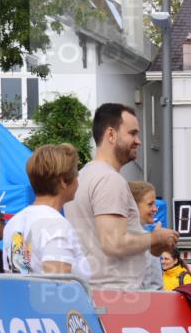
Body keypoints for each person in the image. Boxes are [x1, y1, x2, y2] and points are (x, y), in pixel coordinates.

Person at [65, 103, 178, 290]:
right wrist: (154, 238)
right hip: (117, 297)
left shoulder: (82, 177)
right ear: (111, 134)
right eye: (132, 133)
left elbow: (101, 239)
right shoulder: (110, 180)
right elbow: (113, 243)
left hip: (94, 295)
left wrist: (152, 243)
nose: (139, 141)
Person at [2, 144, 90, 279]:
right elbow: (57, 288)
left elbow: (18, 281)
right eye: (76, 175)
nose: (78, 181)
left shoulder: (13, 224)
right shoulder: (56, 226)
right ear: (63, 182)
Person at [129, 181, 164, 290]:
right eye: (150, 204)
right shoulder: (147, 240)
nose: (155, 209)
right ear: (133, 206)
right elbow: (155, 286)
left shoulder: (107, 235)